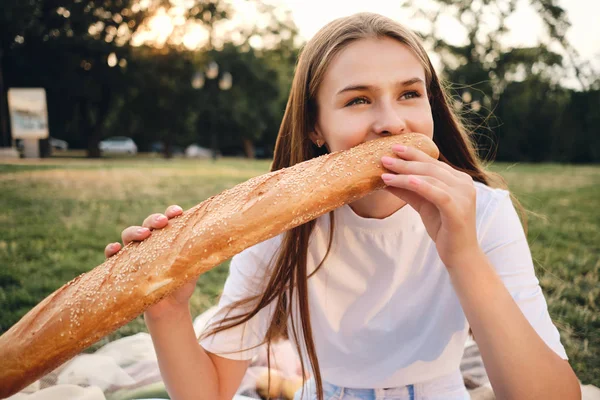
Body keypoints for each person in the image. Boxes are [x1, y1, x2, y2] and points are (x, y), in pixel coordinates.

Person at [104, 12, 580, 400]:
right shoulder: (278, 225)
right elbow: (208, 393)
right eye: (358, 101)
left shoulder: (484, 211)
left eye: (410, 94)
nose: (391, 122)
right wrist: (167, 312)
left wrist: (463, 254)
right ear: (315, 128)